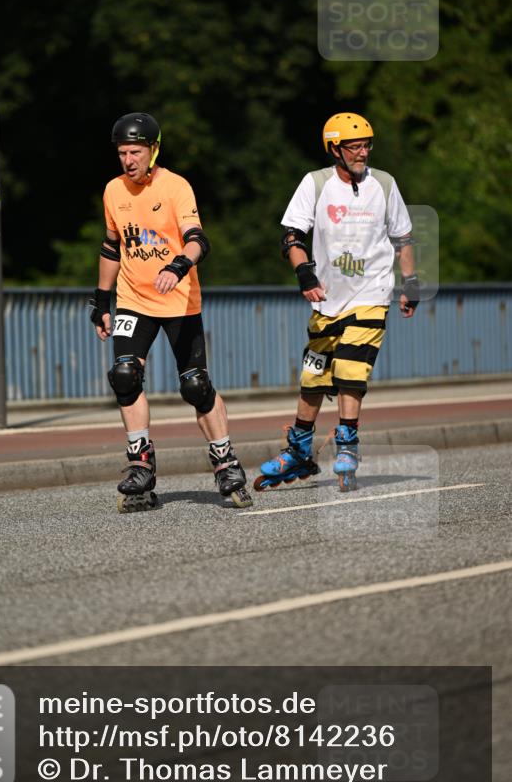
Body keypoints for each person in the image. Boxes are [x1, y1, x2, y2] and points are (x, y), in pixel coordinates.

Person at [90, 112, 251, 513]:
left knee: (195, 385)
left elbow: (198, 240)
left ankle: (225, 461)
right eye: (123, 153)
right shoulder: (113, 190)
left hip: (179, 299)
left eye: (136, 152)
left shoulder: (176, 186)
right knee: (124, 374)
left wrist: (177, 266)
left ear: (153, 149)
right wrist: (101, 301)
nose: (129, 160)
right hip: (133, 300)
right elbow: (113, 247)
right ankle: (140, 464)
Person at [254, 112, 419, 493]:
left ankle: (347, 445)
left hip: (372, 294)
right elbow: (291, 236)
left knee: (350, 367)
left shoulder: (384, 183)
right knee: (313, 378)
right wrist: (305, 274)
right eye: (354, 146)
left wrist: (410, 282)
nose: (363, 152)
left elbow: (403, 238)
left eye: (366, 145)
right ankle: (298, 450)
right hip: (327, 300)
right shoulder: (315, 183)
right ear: (334, 149)